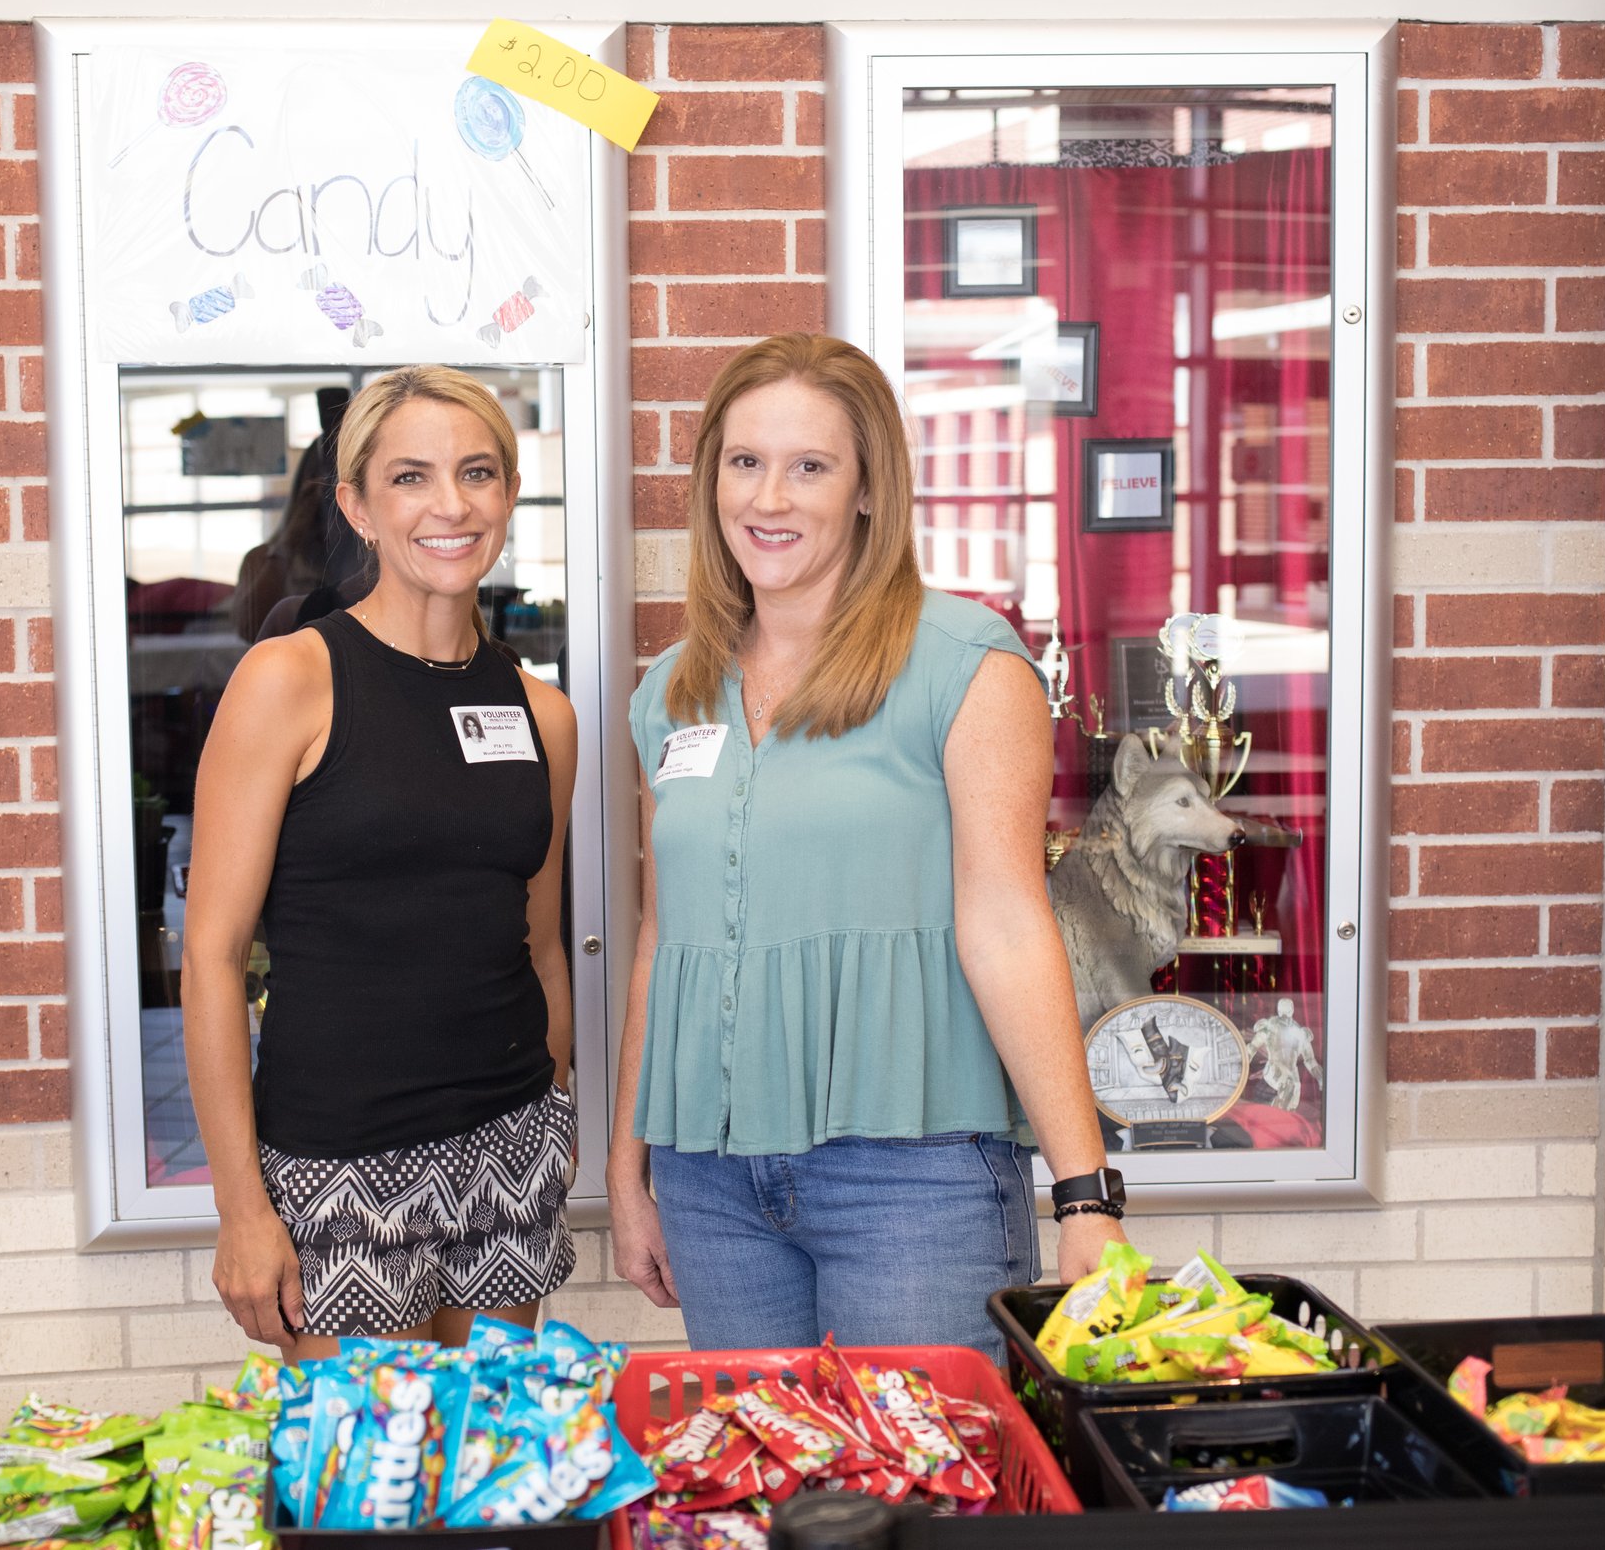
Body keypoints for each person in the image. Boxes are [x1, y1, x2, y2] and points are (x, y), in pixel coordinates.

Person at [610, 333, 1129, 1361]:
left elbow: (1008, 922)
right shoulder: (670, 690)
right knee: (761, 1499)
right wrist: (630, 1174)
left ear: (865, 490)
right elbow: (665, 939)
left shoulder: (966, 667)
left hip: (913, 1179)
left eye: (810, 465)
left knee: (924, 1501)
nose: (771, 497)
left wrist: (1084, 1193)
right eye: (745, 461)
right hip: (711, 1186)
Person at [182, 364, 580, 1357]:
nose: (449, 504)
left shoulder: (544, 714)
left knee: (495, 1488)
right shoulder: (291, 680)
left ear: (507, 493)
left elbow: (537, 945)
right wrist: (242, 1208)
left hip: (508, 1149)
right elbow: (213, 957)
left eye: (477, 472)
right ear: (356, 504)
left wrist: (554, 1118)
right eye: (410, 477)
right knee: (371, 1498)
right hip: (339, 1164)